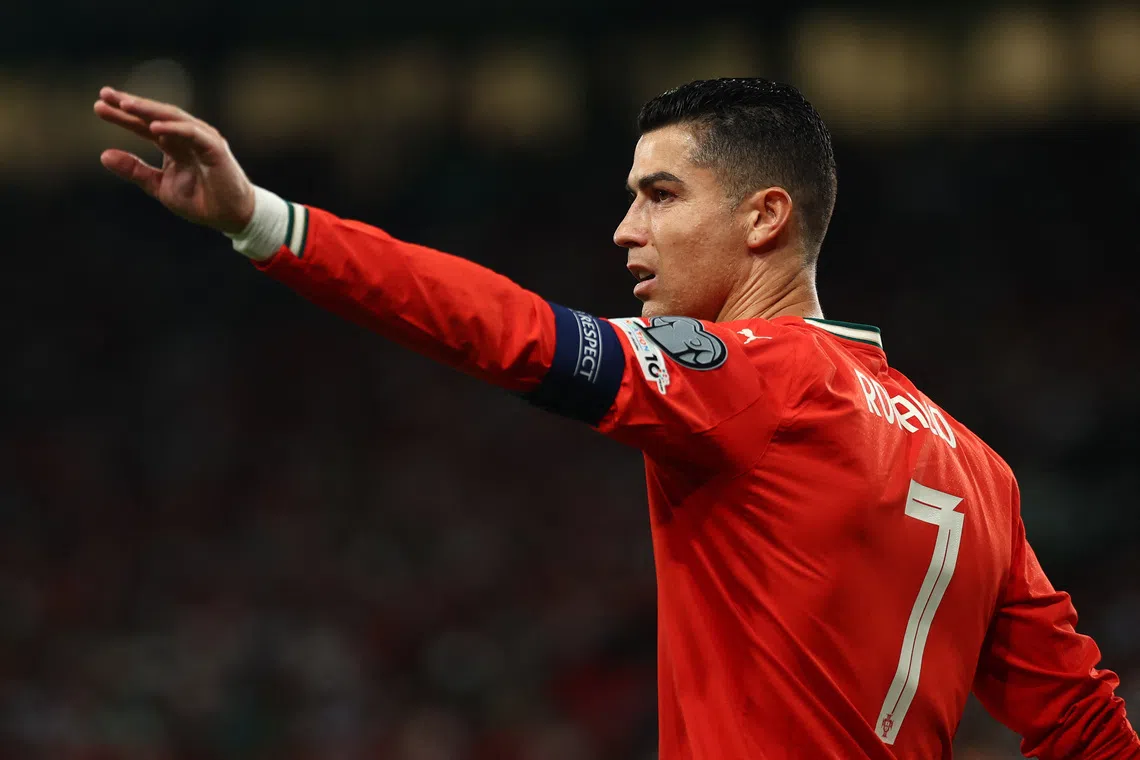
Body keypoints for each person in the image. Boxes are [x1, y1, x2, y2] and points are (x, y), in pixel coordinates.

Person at [94, 77, 1139, 759]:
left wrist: (264, 222)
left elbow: (505, 330)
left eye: (660, 195)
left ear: (764, 216)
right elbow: (1085, 725)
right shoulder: (980, 469)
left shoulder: (756, 381)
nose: (624, 229)